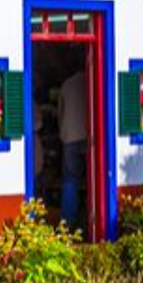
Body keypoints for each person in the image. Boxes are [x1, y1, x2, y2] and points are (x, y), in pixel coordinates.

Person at [58, 69, 89, 232]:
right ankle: (89, 218)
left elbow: (60, 113)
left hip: (70, 137)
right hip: (89, 136)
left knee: (70, 180)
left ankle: (68, 223)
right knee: (93, 179)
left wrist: (63, 133)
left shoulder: (66, 84)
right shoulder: (90, 80)